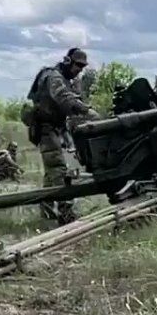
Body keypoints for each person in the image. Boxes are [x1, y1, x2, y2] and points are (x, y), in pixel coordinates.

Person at [24, 47, 100, 224]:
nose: (79, 70)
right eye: (78, 66)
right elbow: (64, 98)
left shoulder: (68, 80)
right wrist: (87, 110)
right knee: (59, 170)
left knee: (52, 174)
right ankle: (66, 213)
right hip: (45, 128)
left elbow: (73, 100)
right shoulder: (54, 77)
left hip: (56, 128)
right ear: (68, 61)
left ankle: (48, 212)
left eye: (82, 67)